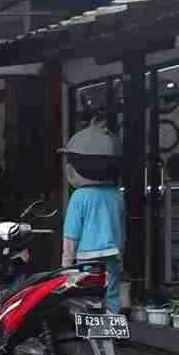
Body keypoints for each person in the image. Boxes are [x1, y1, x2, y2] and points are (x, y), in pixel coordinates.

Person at [59, 118, 124, 313]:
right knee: (111, 293)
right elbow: (122, 229)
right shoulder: (117, 196)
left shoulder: (79, 197)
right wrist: (121, 254)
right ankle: (111, 332)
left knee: (85, 296)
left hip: (87, 257)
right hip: (112, 254)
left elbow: (71, 235)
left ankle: (90, 335)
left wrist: (66, 266)